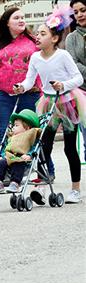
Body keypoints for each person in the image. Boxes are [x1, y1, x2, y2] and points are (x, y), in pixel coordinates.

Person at [13, 7, 86, 204]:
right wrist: (21, 87)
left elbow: (78, 78)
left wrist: (64, 85)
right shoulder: (36, 57)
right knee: (43, 145)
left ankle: (75, 189)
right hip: (47, 103)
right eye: (36, 33)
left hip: (68, 101)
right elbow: (30, 81)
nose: (37, 36)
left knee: (70, 148)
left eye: (42, 33)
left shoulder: (62, 55)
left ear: (54, 39)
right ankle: (42, 186)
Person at [0, 7, 41, 146]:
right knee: (5, 133)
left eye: (22, 17)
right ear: (6, 23)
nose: (21, 20)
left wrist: (44, 94)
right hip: (3, 97)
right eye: (16, 18)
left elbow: (42, 69)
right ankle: (5, 165)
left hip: (30, 95)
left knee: (31, 133)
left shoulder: (34, 42)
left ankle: (34, 165)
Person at [0, 109, 40, 193]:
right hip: (9, 158)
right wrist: (2, 156)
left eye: (17, 125)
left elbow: (33, 148)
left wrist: (29, 155)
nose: (13, 127)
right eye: (14, 125)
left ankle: (15, 183)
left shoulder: (30, 136)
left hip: (21, 159)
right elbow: (7, 148)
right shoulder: (11, 137)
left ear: (27, 128)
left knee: (18, 163)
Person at [66, 0, 86, 162]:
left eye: (83, 10)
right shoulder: (71, 38)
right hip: (83, 93)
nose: (79, 15)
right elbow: (74, 64)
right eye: (76, 12)